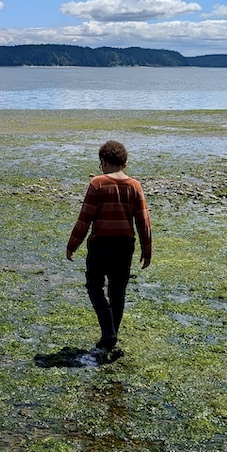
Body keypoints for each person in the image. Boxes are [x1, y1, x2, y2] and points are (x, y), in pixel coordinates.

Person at [66, 140, 152, 353]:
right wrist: (147, 249)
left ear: (103, 162)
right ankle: (112, 336)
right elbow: (143, 221)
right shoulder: (134, 186)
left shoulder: (97, 184)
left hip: (100, 243)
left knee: (94, 286)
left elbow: (85, 218)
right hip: (125, 245)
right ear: (125, 163)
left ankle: (108, 331)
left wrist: (72, 245)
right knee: (118, 291)